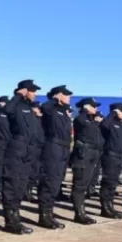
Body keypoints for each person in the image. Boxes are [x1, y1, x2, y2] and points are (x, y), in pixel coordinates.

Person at [0, 80, 41, 234]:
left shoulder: (29, 108)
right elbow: (7, 110)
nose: (35, 93)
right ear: (24, 91)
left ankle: (16, 218)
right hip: (16, 147)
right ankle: (10, 221)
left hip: (29, 149)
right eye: (32, 90)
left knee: (21, 185)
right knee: (12, 183)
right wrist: (17, 95)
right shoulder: (15, 105)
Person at [37, 86, 73, 229]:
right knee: (49, 181)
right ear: (58, 95)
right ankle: (44, 217)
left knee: (56, 182)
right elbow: (45, 107)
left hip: (63, 148)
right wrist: (54, 99)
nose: (69, 97)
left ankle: (50, 215)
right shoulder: (50, 108)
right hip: (52, 147)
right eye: (66, 95)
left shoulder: (63, 111)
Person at [69, 97, 102, 224]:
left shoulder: (90, 120)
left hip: (91, 155)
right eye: (94, 106)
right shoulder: (81, 118)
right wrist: (95, 122)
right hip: (83, 155)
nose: (96, 109)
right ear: (86, 106)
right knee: (79, 185)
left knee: (84, 185)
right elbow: (89, 132)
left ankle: (82, 212)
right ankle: (79, 214)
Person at [99, 103, 122, 218]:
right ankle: (105, 209)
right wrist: (112, 113)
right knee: (108, 183)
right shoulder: (109, 123)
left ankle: (110, 207)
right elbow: (104, 125)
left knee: (113, 183)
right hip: (110, 156)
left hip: (119, 157)